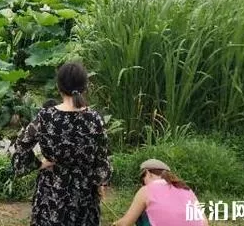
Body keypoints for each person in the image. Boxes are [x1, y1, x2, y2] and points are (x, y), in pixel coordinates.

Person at [11, 61, 112, 226]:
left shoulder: (45, 116)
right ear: (84, 87)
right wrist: (100, 182)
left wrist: (38, 164)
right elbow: (102, 157)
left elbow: (21, 146)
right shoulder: (94, 119)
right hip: (84, 191)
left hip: (52, 188)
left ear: (59, 87)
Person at [111, 159, 209, 226]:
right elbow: (204, 223)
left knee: (143, 214)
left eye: (143, 178)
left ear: (148, 173)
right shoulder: (186, 189)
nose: (143, 183)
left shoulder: (146, 190)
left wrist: (115, 224)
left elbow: (126, 223)